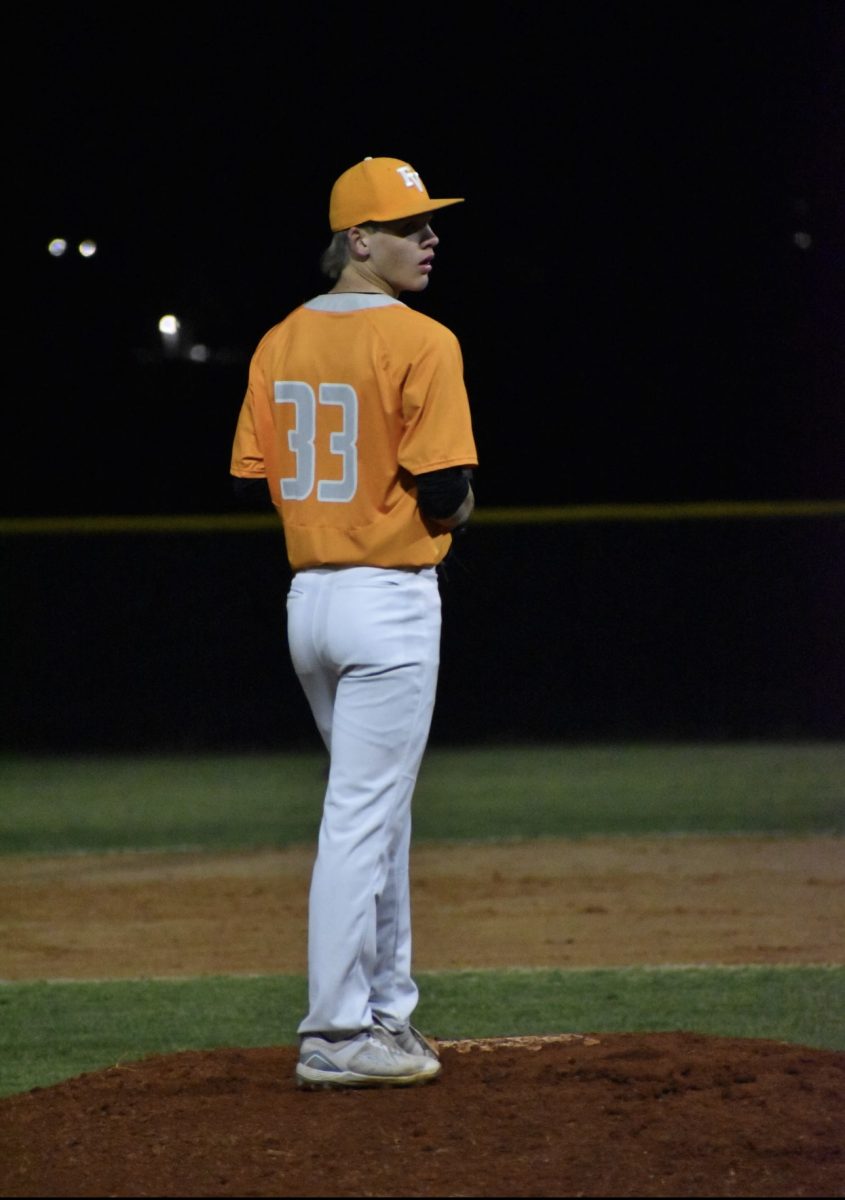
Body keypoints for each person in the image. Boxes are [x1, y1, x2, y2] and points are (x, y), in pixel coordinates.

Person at [229, 156, 478, 1090]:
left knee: (381, 816)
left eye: (429, 225)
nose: (429, 238)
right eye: (409, 226)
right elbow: (447, 495)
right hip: (387, 599)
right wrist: (456, 512)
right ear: (357, 240)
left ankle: (386, 1014)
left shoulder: (277, 340)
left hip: (311, 604)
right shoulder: (423, 340)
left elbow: (271, 474)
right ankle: (335, 1031)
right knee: (360, 818)